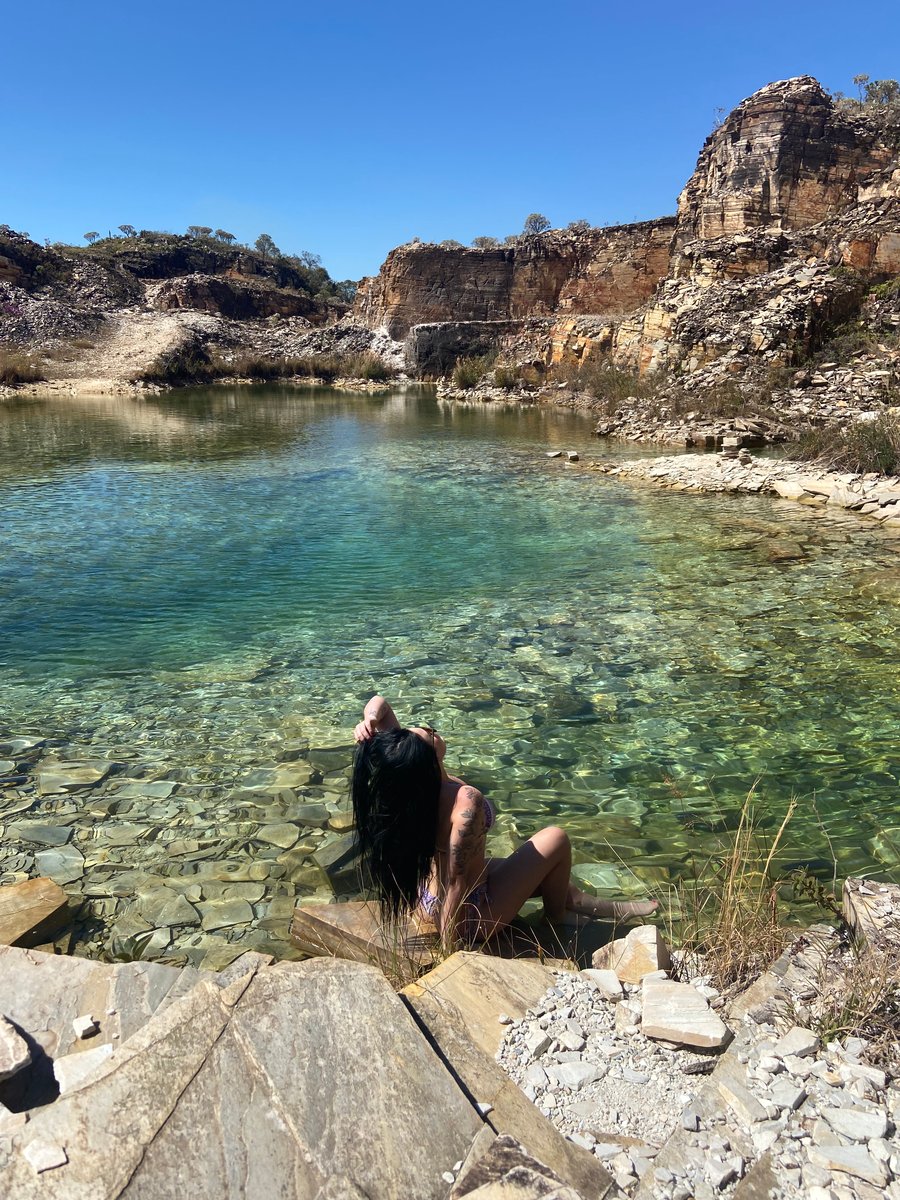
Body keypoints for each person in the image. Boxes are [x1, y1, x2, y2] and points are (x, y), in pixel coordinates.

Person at [352, 694, 657, 948]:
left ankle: (602, 906)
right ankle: (556, 919)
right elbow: (457, 883)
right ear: (428, 759)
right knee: (555, 839)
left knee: (549, 874)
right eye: (430, 733)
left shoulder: (410, 784)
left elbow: (381, 704)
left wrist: (369, 722)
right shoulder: (464, 801)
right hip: (472, 911)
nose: (432, 731)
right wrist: (451, 951)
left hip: (429, 895)